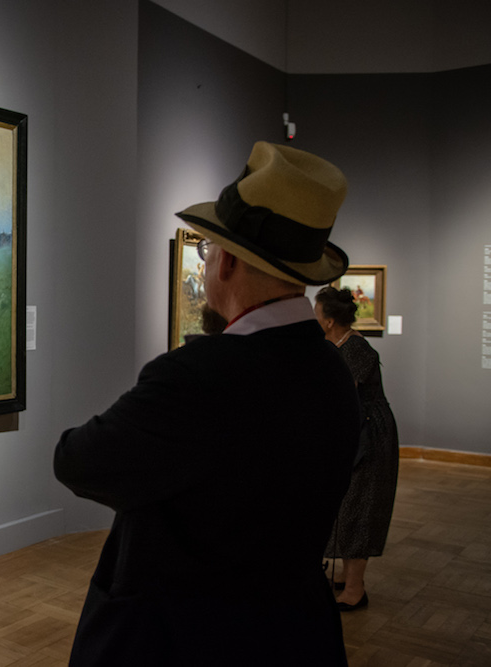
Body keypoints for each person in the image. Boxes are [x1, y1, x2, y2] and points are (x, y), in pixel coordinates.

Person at [54, 141, 361, 666]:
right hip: (296, 637)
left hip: (183, 641)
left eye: (208, 250)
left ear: (228, 263)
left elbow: (77, 459)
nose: (206, 262)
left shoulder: (200, 376)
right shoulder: (333, 370)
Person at [314, 286, 399, 612]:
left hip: (368, 436)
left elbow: (342, 398)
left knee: (359, 506)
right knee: (347, 504)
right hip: (356, 429)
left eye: (316, 313)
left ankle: (355, 589)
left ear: (329, 321)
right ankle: (347, 577)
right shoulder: (338, 346)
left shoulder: (355, 349)